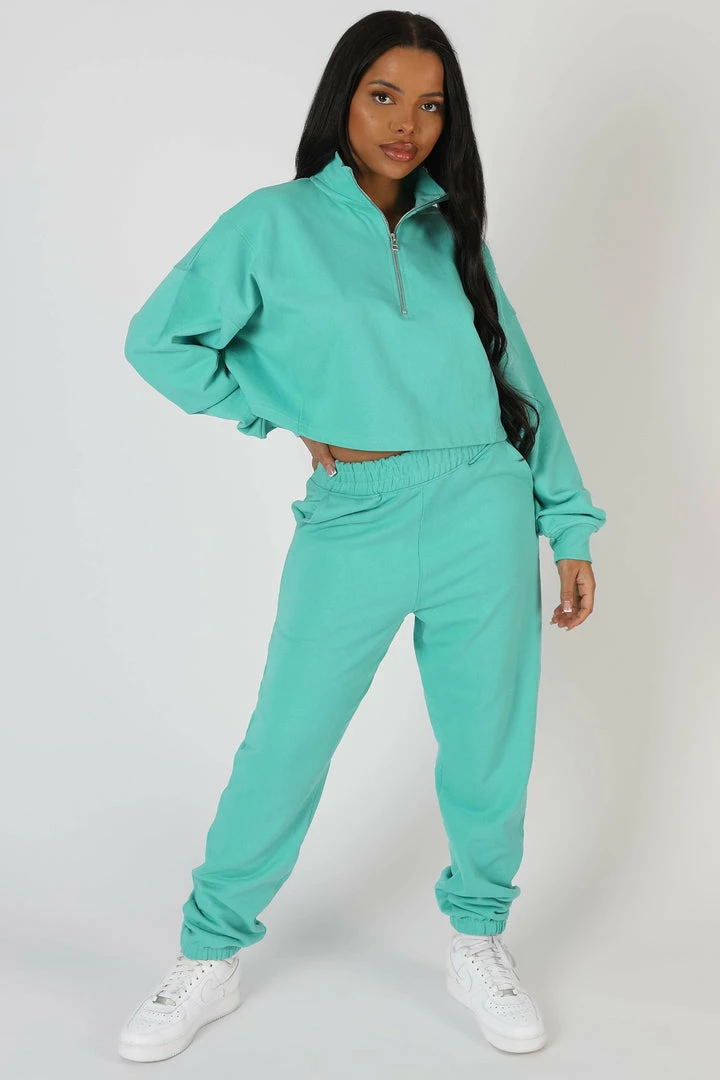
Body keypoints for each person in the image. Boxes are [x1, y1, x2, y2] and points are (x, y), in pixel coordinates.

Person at [117, 10, 606, 1063]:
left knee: (489, 744)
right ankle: (210, 952)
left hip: (482, 508)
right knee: (286, 741)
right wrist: (279, 415)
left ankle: (477, 938)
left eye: (430, 105)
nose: (406, 124)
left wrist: (567, 522)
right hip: (354, 516)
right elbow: (159, 341)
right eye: (384, 95)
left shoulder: (452, 236)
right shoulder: (272, 224)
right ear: (343, 95)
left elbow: (519, 384)